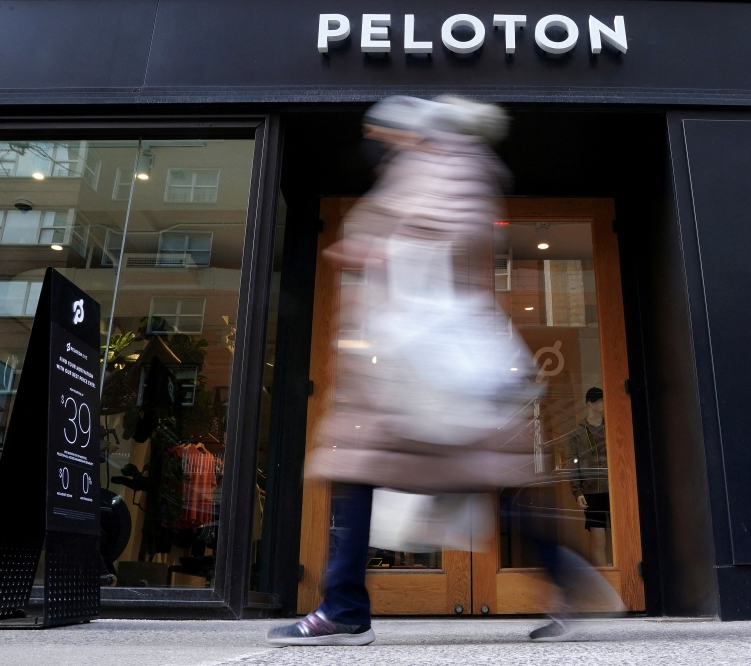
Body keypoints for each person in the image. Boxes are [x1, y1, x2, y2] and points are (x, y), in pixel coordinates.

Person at [266, 96, 621, 648]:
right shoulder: (431, 164)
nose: (377, 141)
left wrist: (381, 251)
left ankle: (344, 610)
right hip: (411, 371)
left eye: (381, 130)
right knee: (453, 476)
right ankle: (570, 580)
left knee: (369, 470)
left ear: (406, 129)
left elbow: (453, 234)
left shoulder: (445, 161)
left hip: (428, 370)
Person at [565, 387, 610, 567]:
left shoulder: (611, 427)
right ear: (590, 404)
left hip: (615, 488)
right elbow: (572, 464)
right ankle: (605, 580)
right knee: (598, 540)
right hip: (592, 491)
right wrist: (577, 491)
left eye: (603, 400)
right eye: (598, 400)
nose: (602, 404)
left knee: (623, 534)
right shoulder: (577, 434)